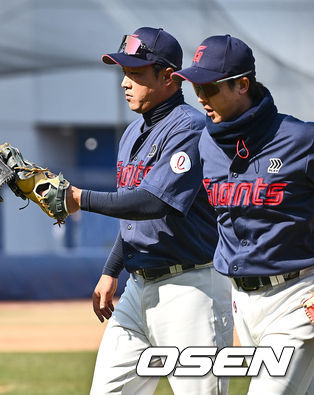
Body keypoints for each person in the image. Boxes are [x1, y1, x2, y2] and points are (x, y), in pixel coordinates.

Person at [62, 27, 233, 394]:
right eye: (124, 73)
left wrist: (80, 198)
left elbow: (154, 202)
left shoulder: (189, 128)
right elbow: (133, 217)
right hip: (139, 287)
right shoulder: (132, 133)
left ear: (169, 77)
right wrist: (111, 270)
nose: (125, 83)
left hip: (192, 288)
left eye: (136, 74)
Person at [172, 34, 314, 395]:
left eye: (209, 87)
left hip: (298, 297)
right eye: (196, 87)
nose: (200, 98)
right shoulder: (207, 142)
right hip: (242, 301)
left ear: (242, 84)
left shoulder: (301, 139)